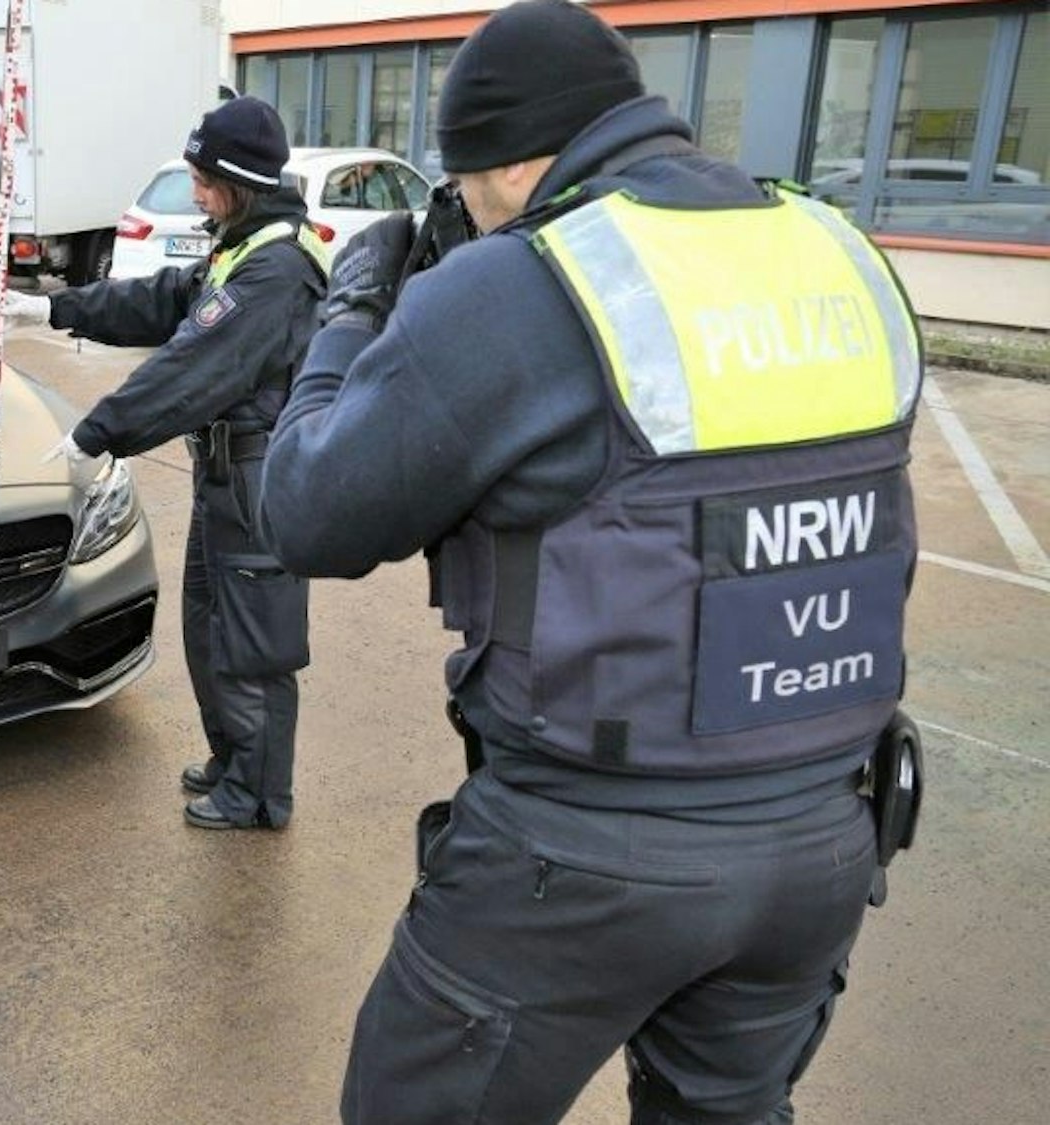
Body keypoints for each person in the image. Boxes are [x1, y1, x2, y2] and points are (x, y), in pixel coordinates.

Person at [257, 1, 923, 1121]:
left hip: (586, 856)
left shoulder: (521, 283)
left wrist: (353, 310)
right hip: (821, 839)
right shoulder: (836, 250)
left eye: (463, 187)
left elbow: (308, 513)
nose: (463, 213)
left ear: (512, 163)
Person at [0, 96, 330, 829]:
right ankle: (233, 759)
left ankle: (260, 793)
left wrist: (98, 432)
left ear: (239, 180)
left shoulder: (278, 270)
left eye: (204, 179)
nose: (197, 193)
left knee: (254, 643)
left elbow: (191, 366)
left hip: (259, 485)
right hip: (224, 479)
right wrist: (54, 309)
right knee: (209, 629)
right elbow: (165, 300)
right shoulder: (239, 244)